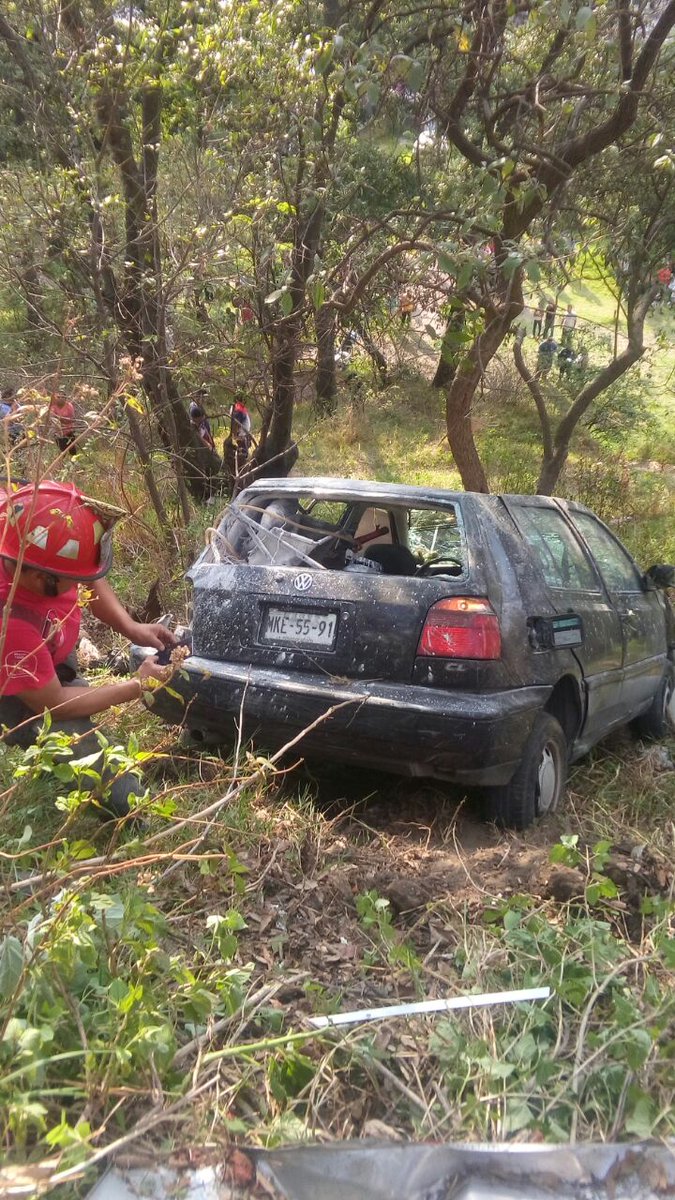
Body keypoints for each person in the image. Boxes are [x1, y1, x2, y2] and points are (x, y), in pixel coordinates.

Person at [0, 482, 175, 819]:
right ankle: (28, 734)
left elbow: (89, 577)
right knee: (129, 802)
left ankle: (67, 685)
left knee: (68, 683)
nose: (79, 584)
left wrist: (130, 627)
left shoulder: (38, 519)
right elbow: (53, 704)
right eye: (69, 581)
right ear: (40, 579)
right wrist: (137, 686)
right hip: (30, 689)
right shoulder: (11, 624)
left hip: (45, 644)